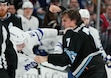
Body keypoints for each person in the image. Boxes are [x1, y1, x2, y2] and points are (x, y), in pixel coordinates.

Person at [34, 9, 107, 78]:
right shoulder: (80, 30)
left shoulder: (77, 35)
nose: (63, 24)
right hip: (94, 68)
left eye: (65, 21)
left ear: (73, 21)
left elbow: (66, 59)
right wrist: (60, 9)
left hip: (92, 71)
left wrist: (46, 58)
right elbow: (72, 14)